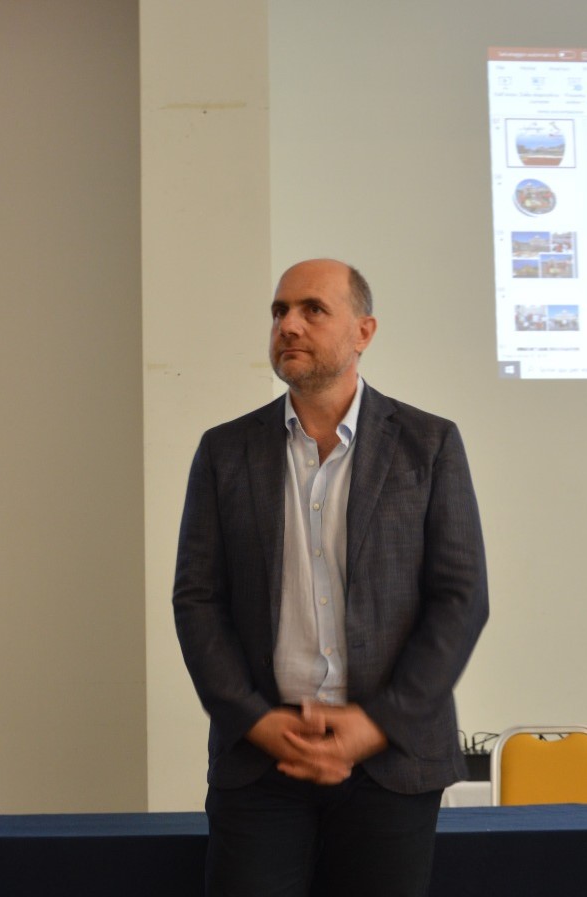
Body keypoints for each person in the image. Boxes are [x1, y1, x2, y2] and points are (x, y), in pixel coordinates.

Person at [172, 258, 488, 897]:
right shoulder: (225, 451)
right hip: (261, 760)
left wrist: (376, 724)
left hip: (391, 761)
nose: (288, 325)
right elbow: (198, 601)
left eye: (312, 309)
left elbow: (460, 600)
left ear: (363, 331)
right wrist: (254, 720)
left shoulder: (428, 445)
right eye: (279, 311)